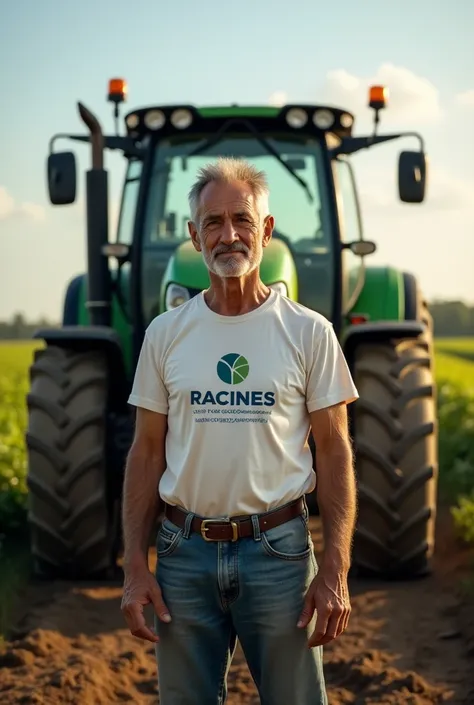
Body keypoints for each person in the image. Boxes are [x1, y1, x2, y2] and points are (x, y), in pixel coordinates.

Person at [120, 157, 359, 705]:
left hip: (280, 554)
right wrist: (136, 563)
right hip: (183, 555)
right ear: (194, 236)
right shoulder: (164, 334)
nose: (228, 235)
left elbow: (334, 450)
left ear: (266, 229)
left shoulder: (309, 332)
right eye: (213, 223)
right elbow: (146, 450)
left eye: (242, 220)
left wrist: (336, 570)